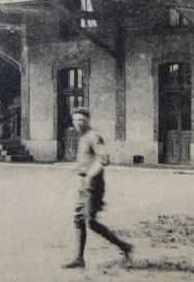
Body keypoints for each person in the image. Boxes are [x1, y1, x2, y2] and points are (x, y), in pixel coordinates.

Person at [62, 107, 132, 269]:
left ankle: (124, 246)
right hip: (84, 185)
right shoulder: (82, 138)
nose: (78, 123)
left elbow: (103, 159)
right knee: (78, 219)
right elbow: (87, 159)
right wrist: (79, 169)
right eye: (75, 120)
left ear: (87, 120)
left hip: (94, 185)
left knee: (90, 222)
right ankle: (79, 259)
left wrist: (89, 175)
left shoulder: (94, 137)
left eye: (81, 120)